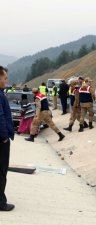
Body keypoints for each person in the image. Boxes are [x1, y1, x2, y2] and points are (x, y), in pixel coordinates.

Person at [0, 66, 15, 211]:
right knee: (1, 171)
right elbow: (0, 116)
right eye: (4, 78)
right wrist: (4, 137)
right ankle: (0, 203)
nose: (6, 81)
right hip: (1, 140)